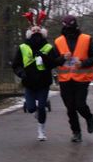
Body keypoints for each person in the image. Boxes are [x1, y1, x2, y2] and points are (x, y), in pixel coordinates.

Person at [11, 11, 60, 141]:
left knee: (42, 107)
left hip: (43, 83)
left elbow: (53, 63)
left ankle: (41, 131)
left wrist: (44, 57)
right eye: (34, 30)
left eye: (38, 30)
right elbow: (16, 65)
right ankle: (36, 113)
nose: (36, 32)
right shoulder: (22, 47)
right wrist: (21, 73)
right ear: (30, 33)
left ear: (42, 32)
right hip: (29, 83)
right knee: (31, 108)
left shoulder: (48, 47)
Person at [54, 14, 93, 143]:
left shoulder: (86, 39)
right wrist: (63, 58)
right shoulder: (58, 41)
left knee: (80, 105)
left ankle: (89, 117)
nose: (69, 29)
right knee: (70, 107)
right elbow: (53, 60)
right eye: (67, 27)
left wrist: (83, 63)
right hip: (65, 79)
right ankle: (76, 132)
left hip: (82, 77)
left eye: (71, 26)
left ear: (76, 25)